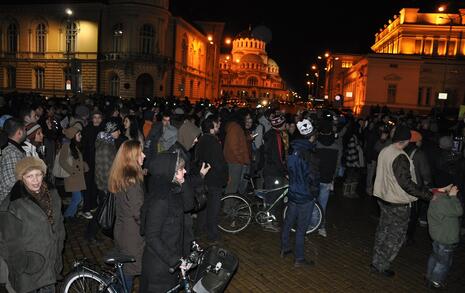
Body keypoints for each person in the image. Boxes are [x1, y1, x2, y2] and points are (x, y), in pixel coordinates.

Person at [371, 125, 433, 277]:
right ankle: (382, 266)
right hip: (397, 202)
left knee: (383, 231)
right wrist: (428, 196)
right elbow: (405, 183)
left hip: (384, 198)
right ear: (406, 140)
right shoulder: (400, 156)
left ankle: (376, 261)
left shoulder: (386, 150)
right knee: (394, 237)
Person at [0, 156, 65, 293]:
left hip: (50, 264)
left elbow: (59, 227)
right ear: (21, 178)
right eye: (30, 176)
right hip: (28, 273)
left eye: (38, 175)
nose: (35, 180)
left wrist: (58, 250)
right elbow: (8, 245)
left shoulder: (52, 195)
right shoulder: (13, 205)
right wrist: (25, 265)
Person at [140, 151, 192, 292]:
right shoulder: (160, 200)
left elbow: (189, 205)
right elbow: (152, 237)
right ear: (171, 173)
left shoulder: (173, 191)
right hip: (159, 269)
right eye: (181, 169)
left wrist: (183, 181)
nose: (185, 171)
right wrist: (174, 260)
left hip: (170, 264)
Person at [281, 119, 320, 268]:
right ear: (311, 136)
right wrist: (313, 193)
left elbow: (287, 168)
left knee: (289, 222)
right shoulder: (310, 153)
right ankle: (299, 258)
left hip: (293, 191)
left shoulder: (292, 148)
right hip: (305, 195)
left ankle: (284, 248)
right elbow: (314, 177)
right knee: (301, 228)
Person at [108, 140, 145, 291]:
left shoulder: (121, 174)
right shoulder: (133, 181)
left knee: (123, 272)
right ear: (132, 156)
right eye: (140, 153)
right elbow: (138, 212)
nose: (144, 155)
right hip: (132, 235)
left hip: (122, 230)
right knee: (128, 275)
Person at [425, 185, 462, 289]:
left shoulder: (435, 196)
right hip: (445, 238)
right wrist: (454, 197)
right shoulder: (443, 201)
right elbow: (459, 211)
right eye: (452, 186)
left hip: (438, 236)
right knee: (443, 262)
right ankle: (435, 281)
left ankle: (429, 276)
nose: (454, 187)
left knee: (435, 256)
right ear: (445, 187)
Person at [61, 125, 88, 219]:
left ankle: (71, 215)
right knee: (77, 198)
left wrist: (84, 166)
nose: (80, 136)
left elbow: (77, 160)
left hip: (76, 176)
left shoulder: (74, 146)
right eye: (79, 135)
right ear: (73, 136)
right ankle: (67, 215)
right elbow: (62, 161)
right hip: (72, 177)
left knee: (76, 198)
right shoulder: (66, 146)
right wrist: (72, 171)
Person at [0, 118, 26, 204]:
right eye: (25, 129)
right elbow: (10, 182)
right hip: (8, 204)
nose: (26, 132)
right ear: (19, 132)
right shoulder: (12, 152)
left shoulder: (11, 148)